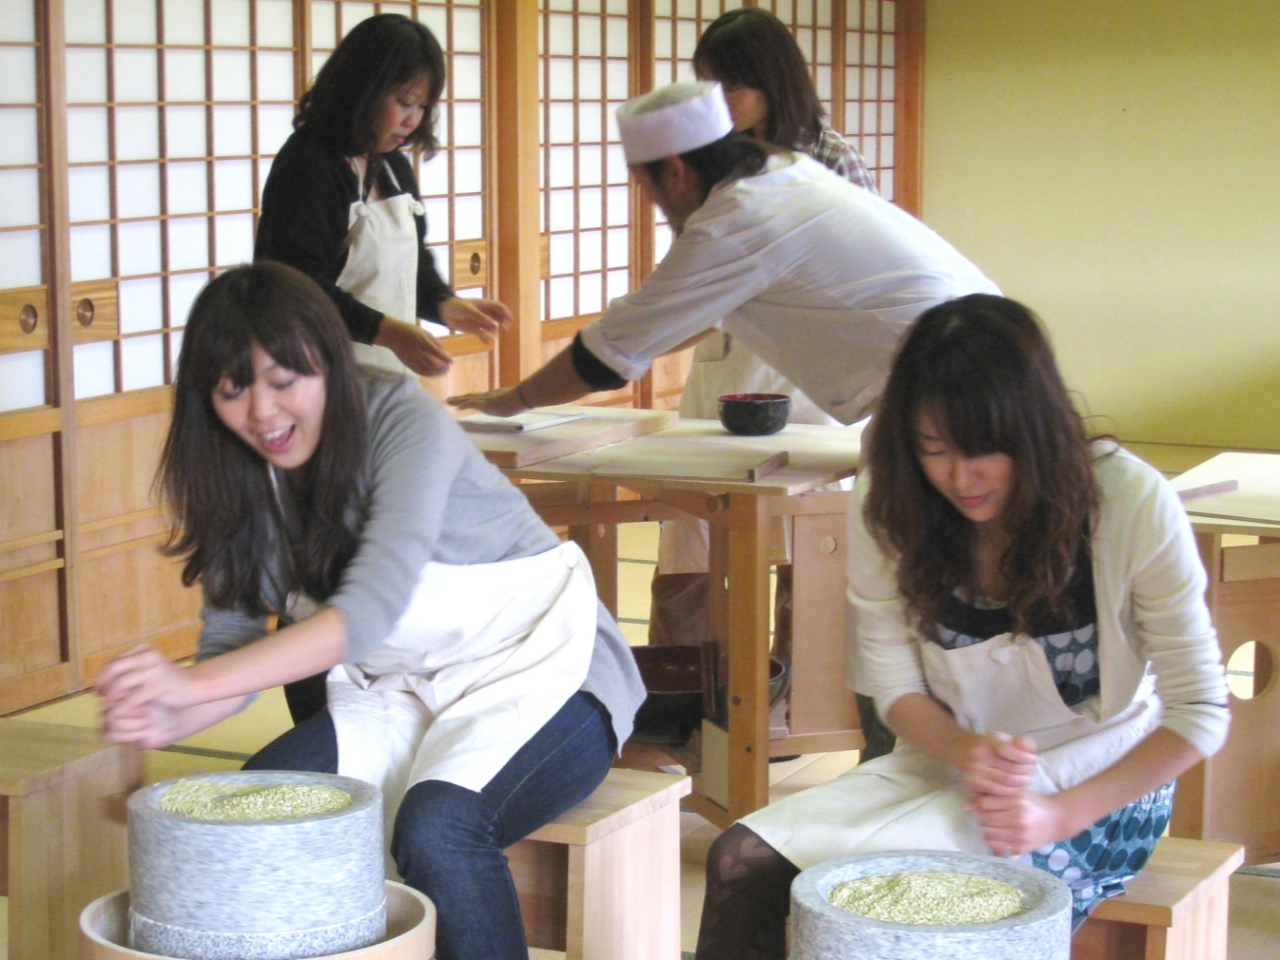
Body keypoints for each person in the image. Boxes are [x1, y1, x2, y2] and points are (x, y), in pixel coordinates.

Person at [96, 262, 646, 960]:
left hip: (545, 671)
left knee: (439, 833)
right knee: (250, 815)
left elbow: (367, 615)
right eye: (233, 391)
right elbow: (230, 657)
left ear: (327, 360)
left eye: (283, 382)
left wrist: (189, 685)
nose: (261, 413)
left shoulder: (401, 420)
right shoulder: (237, 474)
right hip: (398, 691)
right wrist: (169, 714)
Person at [692, 294, 1231, 960]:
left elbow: (1202, 710)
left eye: (985, 451)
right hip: (947, 762)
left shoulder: (1128, 501)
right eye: (935, 449)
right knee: (741, 860)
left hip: (1101, 777)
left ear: (1035, 429)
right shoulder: (891, 502)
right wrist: (966, 751)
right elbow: (893, 690)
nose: (960, 477)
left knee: (913, 919)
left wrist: (1057, 815)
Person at [449, 81, 998, 430]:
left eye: (646, 186)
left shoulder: (735, 222)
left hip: (951, 383)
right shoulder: (782, 174)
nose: (653, 202)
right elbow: (670, 325)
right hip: (992, 354)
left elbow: (606, 355)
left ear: (675, 170)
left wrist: (515, 400)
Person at [648, 7, 894, 760]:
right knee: (690, 545)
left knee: (805, 551)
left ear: (772, 82)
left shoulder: (829, 157)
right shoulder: (713, 161)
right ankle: (681, 709)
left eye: (730, 86)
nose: (716, 102)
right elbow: (694, 269)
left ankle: (789, 713)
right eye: (707, 86)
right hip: (725, 366)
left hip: (808, 379)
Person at [255, 13, 510, 378]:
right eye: (405, 102)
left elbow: (410, 265)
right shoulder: (309, 164)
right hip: (313, 375)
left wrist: (444, 305)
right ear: (362, 89)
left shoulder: (392, 164)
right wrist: (387, 332)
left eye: (423, 106)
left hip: (383, 371)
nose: (413, 120)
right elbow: (294, 287)